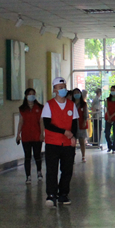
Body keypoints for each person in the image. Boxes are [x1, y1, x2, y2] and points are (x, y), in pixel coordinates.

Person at [42, 77, 78, 207]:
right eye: (60, 87)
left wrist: (73, 136)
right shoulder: (49, 105)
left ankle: (63, 194)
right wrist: (63, 132)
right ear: (54, 90)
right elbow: (47, 124)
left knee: (67, 170)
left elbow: (74, 124)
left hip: (67, 144)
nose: (63, 89)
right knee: (52, 170)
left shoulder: (71, 105)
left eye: (64, 87)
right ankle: (51, 195)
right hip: (53, 143)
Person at [16, 88, 44, 184]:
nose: (31, 96)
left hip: (37, 135)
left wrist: (42, 134)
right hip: (26, 135)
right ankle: (28, 176)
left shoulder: (40, 107)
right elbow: (20, 122)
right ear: (26, 96)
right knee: (27, 156)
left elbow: (41, 121)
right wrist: (18, 134)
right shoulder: (22, 109)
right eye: (29, 94)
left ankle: (39, 172)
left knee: (37, 155)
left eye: (33, 94)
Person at [72, 88, 89, 162]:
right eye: (75, 93)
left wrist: (84, 121)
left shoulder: (83, 104)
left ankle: (83, 156)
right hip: (73, 124)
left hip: (81, 124)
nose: (76, 94)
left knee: (82, 140)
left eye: (78, 93)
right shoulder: (71, 103)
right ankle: (72, 156)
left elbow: (86, 114)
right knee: (73, 141)